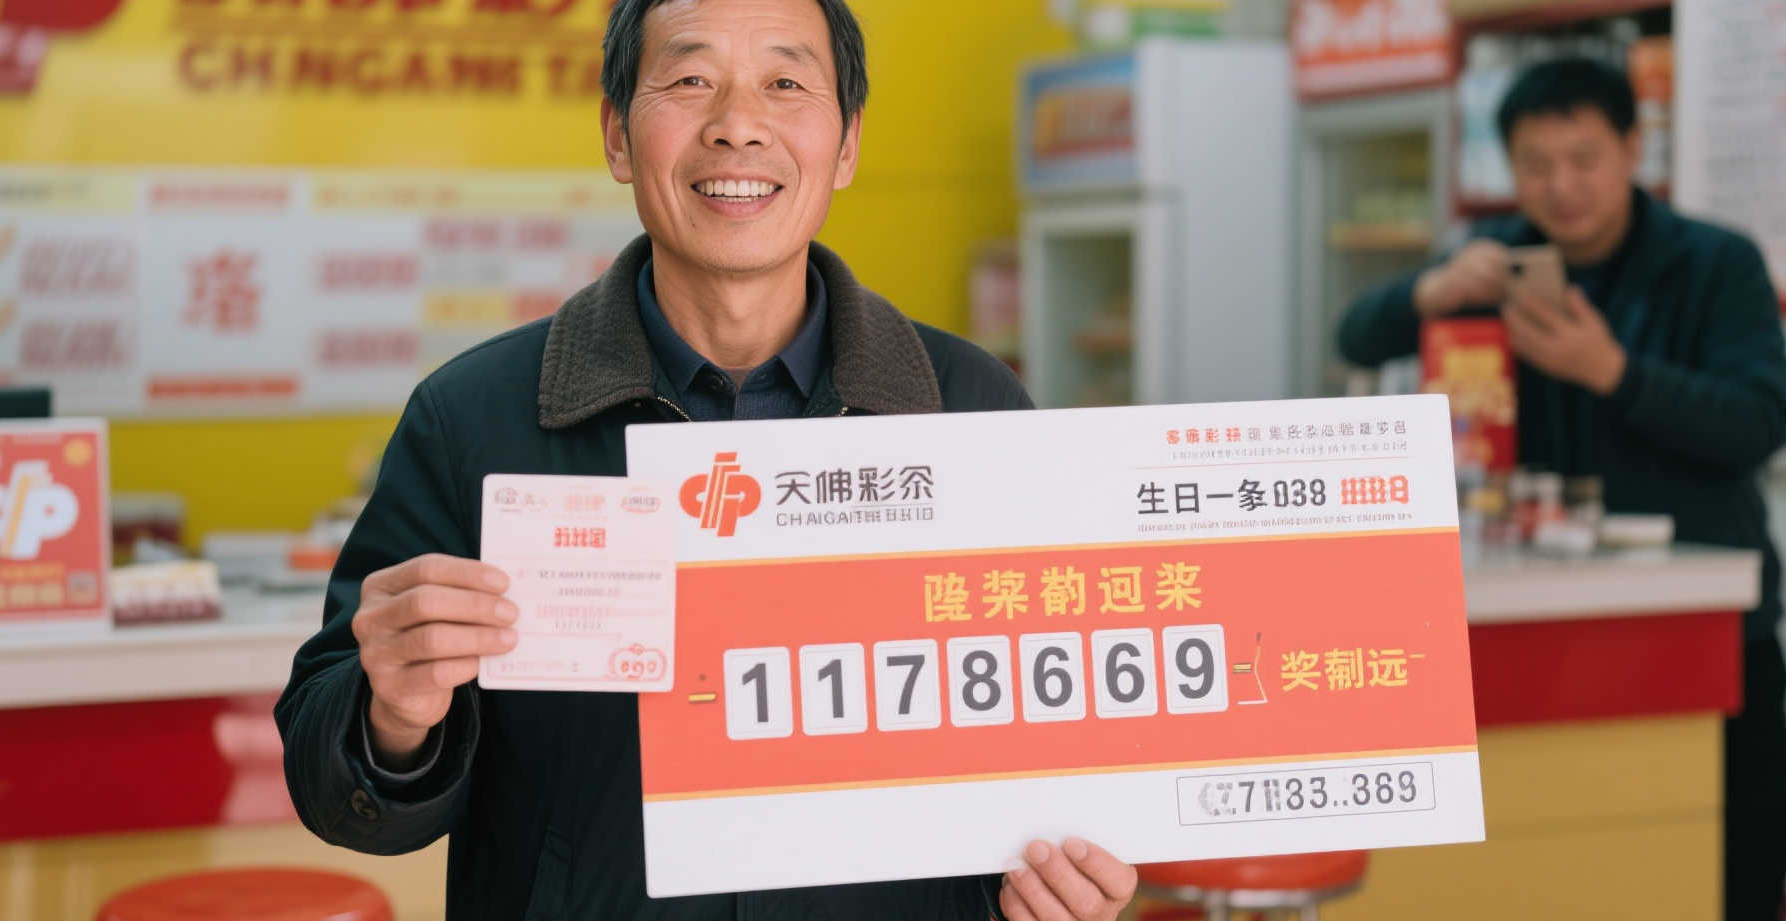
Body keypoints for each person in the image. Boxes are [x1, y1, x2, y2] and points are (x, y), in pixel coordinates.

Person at [273, 1, 1139, 919]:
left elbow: (1046, 750)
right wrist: (391, 720)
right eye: (690, 79)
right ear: (617, 134)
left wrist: (1046, 883)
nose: (738, 124)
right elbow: (334, 787)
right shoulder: (471, 419)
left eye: (785, 82)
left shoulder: (972, 411)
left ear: (847, 143)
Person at [1338, 56, 1786, 921]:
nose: (1562, 186)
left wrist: (1612, 371)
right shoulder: (1493, 260)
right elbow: (1356, 336)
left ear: (1633, 147)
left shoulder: (1716, 263)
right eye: (1536, 164)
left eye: (1584, 159)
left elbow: (1757, 422)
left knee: (1727, 869)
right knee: (1558, 862)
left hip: (1706, 626)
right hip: (1536, 622)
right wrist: (1430, 291)